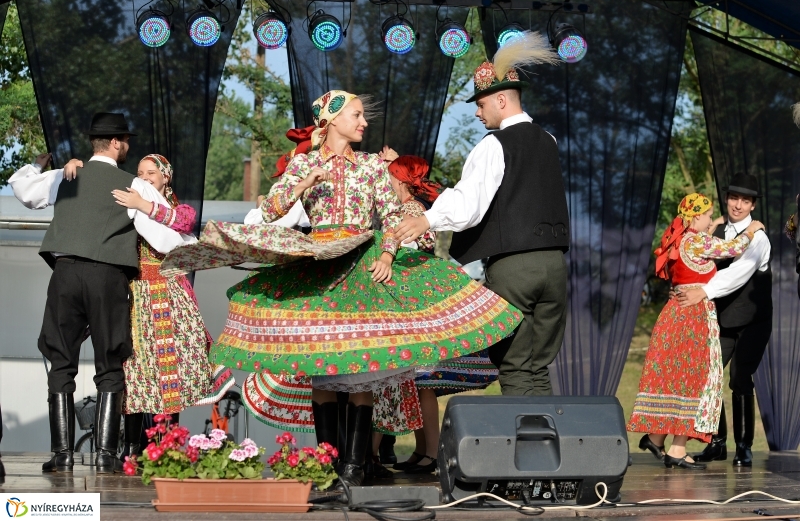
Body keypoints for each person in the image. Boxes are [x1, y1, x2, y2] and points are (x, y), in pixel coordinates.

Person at [161, 91, 522, 488]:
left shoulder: (371, 166)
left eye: (363, 116)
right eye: (356, 115)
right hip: (319, 267)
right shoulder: (306, 163)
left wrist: (386, 254)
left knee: (360, 365)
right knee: (322, 370)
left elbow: (390, 214)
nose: (364, 122)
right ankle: (327, 466)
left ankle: (354, 465)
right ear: (331, 121)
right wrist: (303, 183)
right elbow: (270, 210)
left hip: (362, 267)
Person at [8, 112, 187, 474]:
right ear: (118, 143)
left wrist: (38, 164)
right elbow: (167, 237)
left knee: (60, 360)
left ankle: (62, 455)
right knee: (110, 361)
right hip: (107, 278)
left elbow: (21, 187)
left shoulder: (66, 175)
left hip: (66, 274)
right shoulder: (133, 185)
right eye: (127, 142)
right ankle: (106, 455)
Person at [395, 32, 568, 397]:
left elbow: (469, 203)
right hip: (555, 266)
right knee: (539, 366)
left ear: (501, 100)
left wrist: (427, 219)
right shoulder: (548, 140)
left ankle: (528, 450)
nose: (476, 111)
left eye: (482, 103)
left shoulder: (494, 144)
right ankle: (554, 448)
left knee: (516, 365)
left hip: (514, 269)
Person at [63, 154, 234, 462]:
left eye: (151, 173)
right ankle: (131, 449)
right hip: (134, 297)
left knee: (170, 374)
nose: (143, 177)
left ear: (165, 177)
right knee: (134, 373)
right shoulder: (126, 203)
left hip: (169, 298)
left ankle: (168, 449)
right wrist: (80, 166)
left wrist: (144, 205)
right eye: (139, 172)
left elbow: (185, 221)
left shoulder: (176, 208)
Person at [374, 154, 498, 474]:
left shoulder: (411, 210)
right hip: (418, 303)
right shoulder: (419, 208)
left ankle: (424, 452)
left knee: (415, 380)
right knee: (418, 382)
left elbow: (413, 251)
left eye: (390, 178)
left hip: (412, 304)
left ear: (400, 182)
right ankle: (425, 450)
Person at [628, 193, 764, 470]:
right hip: (694, 316)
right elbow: (732, 248)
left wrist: (710, 225)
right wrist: (752, 230)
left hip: (674, 314)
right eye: (707, 214)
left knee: (679, 378)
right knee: (697, 379)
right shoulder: (698, 241)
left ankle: (657, 438)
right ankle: (675, 449)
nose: (710, 219)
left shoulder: (678, 238)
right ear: (696, 217)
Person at [677, 174, 772, 467]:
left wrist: (702, 292)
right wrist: (682, 287)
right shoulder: (716, 235)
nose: (738, 205)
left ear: (752, 204)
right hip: (723, 318)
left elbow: (737, 273)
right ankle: (716, 443)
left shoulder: (758, 237)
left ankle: (744, 446)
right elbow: (695, 262)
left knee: (740, 379)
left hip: (753, 321)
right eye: (734, 199)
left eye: (745, 201)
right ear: (727, 199)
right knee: (709, 378)